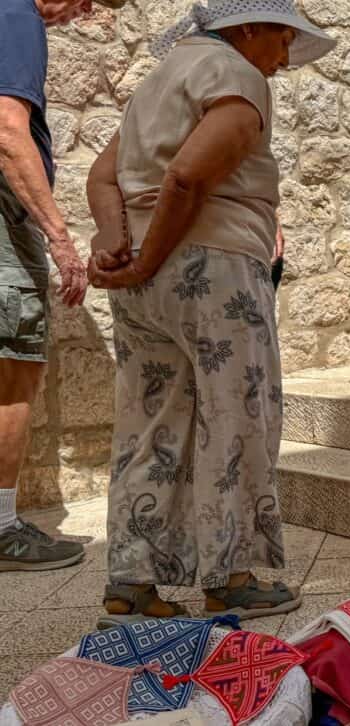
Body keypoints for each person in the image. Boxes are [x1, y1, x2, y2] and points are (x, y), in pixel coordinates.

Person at [86, 0, 335, 625]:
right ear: (248, 27)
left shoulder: (162, 75)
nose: (283, 59)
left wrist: (116, 242)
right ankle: (233, 577)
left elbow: (102, 175)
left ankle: (133, 584)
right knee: (238, 416)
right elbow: (189, 181)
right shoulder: (237, 77)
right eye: (283, 38)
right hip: (215, 267)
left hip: (146, 274)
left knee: (151, 420)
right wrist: (142, 258)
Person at [0, 0, 126, 572]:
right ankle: (2, 529)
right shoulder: (16, 14)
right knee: (13, 367)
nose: (82, 12)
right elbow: (7, 129)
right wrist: (58, 235)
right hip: (5, 217)